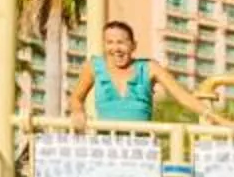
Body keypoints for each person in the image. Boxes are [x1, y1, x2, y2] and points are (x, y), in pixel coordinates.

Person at [70, 19, 216, 125]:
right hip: (106, 141)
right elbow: (76, 98)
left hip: (141, 144)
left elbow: (182, 96)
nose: (116, 48)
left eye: (121, 42)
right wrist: (78, 111)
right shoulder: (94, 66)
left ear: (133, 45)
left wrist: (215, 118)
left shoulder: (149, 67)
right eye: (110, 42)